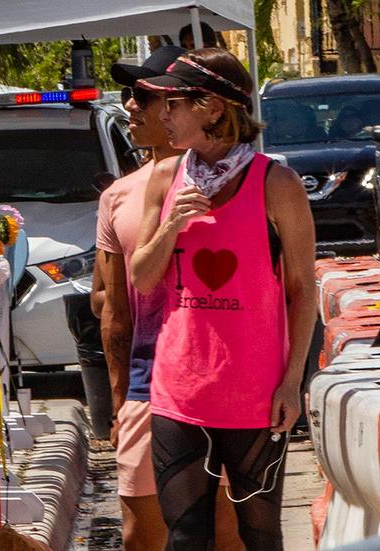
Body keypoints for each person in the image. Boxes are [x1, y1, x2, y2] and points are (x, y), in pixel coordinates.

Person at [130, 48, 316, 550]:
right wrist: (171, 226)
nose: (161, 115)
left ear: (212, 107)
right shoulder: (166, 180)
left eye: (173, 104)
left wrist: (293, 380)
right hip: (179, 391)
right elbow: (141, 278)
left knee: (261, 537)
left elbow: (303, 289)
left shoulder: (276, 183)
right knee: (186, 537)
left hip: (255, 393)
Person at [97, 45, 244, 551]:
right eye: (129, 96)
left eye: (143, 94)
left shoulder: (241, 181)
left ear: (176, 103)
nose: (132, 107)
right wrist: (118, 402)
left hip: (222, 385)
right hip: (147, 388)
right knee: (144, 538)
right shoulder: (117, 196)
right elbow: (114, 307)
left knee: (227, 536)